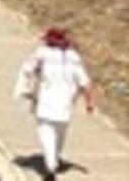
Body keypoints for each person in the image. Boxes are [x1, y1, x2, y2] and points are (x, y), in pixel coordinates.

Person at [14, 27, 94, 181]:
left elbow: (26, 69)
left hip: (46, 104)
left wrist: (24, 90)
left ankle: (51, 167)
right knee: (59, 136)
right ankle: (54, 160)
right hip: (65, 106)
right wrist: (89, 103)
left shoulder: (42, 53)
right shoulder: (74, 57)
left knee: (46, 135)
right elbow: (85, 82)